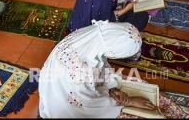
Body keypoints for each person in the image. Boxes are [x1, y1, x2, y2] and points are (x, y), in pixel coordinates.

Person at [39, 20, 186, 118]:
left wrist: (112, 89)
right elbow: (86, 103)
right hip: (67, 104)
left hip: (68, 85)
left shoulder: (94, 35)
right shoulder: (81, 72)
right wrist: (127, 101)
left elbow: (99, 65)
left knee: (136, 85)